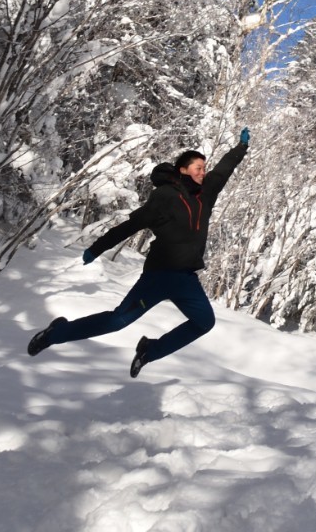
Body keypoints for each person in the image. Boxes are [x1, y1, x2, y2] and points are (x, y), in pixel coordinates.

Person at [27, 128, 250, 377]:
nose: (203, 172)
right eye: (198, 167)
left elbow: (223, 170)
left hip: (186, 279)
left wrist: (240, 148)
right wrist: (97, 248)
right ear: (183, 169)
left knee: (204, 322)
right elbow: (131, 225)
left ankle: (149, 351)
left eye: (204, 167)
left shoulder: (205, 195)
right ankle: (54, 334)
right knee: (117, 321)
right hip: (159, 276)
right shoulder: (165, 196)